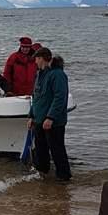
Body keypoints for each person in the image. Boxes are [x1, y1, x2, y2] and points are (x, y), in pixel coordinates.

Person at [27, 47, 71, 181]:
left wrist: (50, 117)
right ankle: (43, 175)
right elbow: (36, 97)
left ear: (42, 59)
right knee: (41, 150)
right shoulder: (40, 74)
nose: (35, 62)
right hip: (39, 120)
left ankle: (64, 178)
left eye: (37, 59)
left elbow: (60, 97)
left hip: (53, 122)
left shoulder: (57, 74)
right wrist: (31, 116)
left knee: (57, 150)